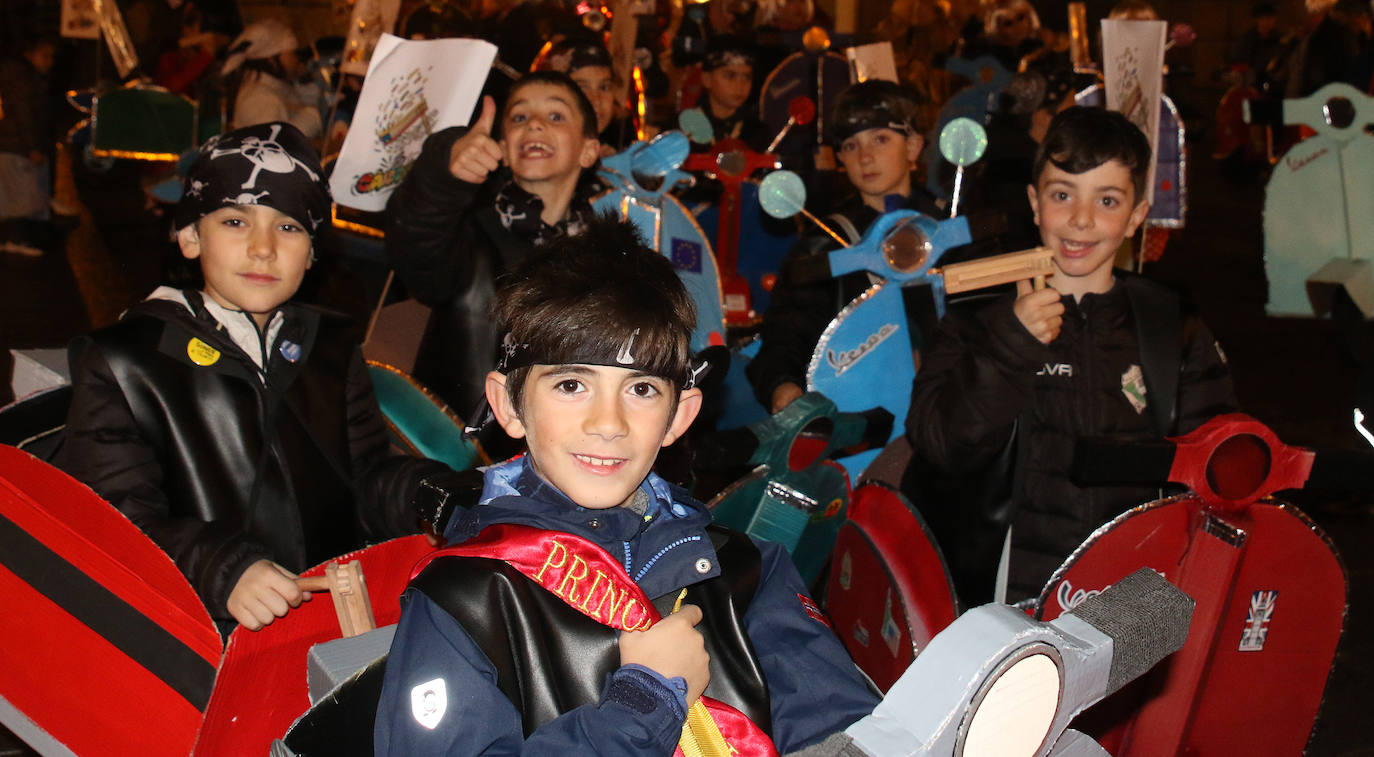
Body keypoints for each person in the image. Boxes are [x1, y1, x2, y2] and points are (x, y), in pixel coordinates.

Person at [373, 214, 879, 754]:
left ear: (678, 416)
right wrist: (642, 706)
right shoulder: (465, 600)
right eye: (571, 384)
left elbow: (843, 734)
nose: (608, 423)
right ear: (508, 406)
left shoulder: (746, 573)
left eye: (640, 389)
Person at [57, 123, 462, 633]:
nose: (264, 248)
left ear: (312, 253)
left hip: (331, 622)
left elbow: (366, 476)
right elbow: (113, 525)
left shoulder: (330, 346)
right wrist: (222, 571)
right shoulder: (125, 363)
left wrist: (439, 494)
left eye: (289, 227)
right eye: (234, 221)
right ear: (188, 236)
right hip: (201, 635)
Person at [903, 106, 1236, 605]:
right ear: (1035, 204)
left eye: (1107, 200)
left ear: (1136, 216)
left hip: (1134, 590)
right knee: (1029, 686)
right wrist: (1010, 343)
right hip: (1012, 597)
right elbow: (940, 443)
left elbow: (1217, 462)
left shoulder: (1171, 326)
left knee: (1132, 685)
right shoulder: (978, 318)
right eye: (1063, 195)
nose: (1081, 219)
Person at [385, 70, 601, 423]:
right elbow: (414, 243)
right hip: (465, 452)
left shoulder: (605, 258)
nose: (534, 125)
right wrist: (444, 169)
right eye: (519, 117)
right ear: (502, 146)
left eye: (555, 116)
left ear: (588, 149)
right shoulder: (468, 236)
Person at [747, 80, 940, 414]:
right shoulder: (825, 242)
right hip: (859, 419)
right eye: (851, 146)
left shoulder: (949, 227)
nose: (865, 157)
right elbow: (785, 336)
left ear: (913, 147)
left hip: (944, 414)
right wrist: (783, 387)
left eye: (880, 139)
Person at [0, 37, 59, 257]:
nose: (49, 62)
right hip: (17, 146)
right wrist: (32, 147)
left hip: (18, 145)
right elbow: (24, 115)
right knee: (21, 196)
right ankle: (14, 239)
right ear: (30, 54)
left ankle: (18, 238)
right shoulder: (22, 79)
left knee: (24, 195)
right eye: (45, 56)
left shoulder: (29, 77)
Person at [222, 19, 324, 140]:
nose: (296, 59)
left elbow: (313, 102)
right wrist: (311, 119)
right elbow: (272, 145)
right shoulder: (259, 98)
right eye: (291, 53)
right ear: (271, 59)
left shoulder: (279, 86)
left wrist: (304, 81)